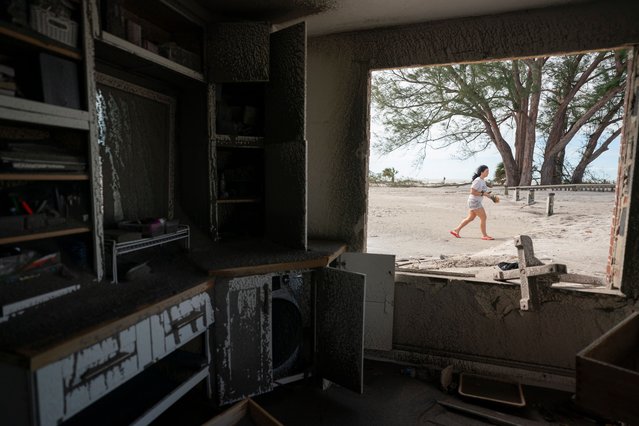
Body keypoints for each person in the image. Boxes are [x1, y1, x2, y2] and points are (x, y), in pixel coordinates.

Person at [449, 165, 494, 240]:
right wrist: (483, 194)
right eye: (487, 171)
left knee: (470, 218)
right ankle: (484, 235)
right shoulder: (477, 180)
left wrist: (492, 198)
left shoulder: (482, 181)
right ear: (482, 172)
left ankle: (456, 230)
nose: (488, 173)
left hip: (474, 201)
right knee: (483, 217)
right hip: (474, 201)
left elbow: (484, 193)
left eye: (488, 171)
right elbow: (472, 192)